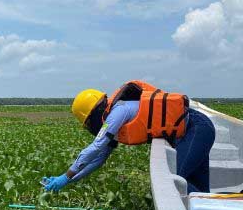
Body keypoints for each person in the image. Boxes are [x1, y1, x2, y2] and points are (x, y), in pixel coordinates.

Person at [42, 82, 216, 195]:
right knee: (200, 191)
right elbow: (97, 160)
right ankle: (237, 199)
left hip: (196, 128)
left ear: (92, 115)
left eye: (88, 123)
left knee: (176, 183)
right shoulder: (114, 122)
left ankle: (242, 199)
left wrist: (65, 176)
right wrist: (70, 180)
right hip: (189, 133)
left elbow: (95, 147)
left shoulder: (118, 112)